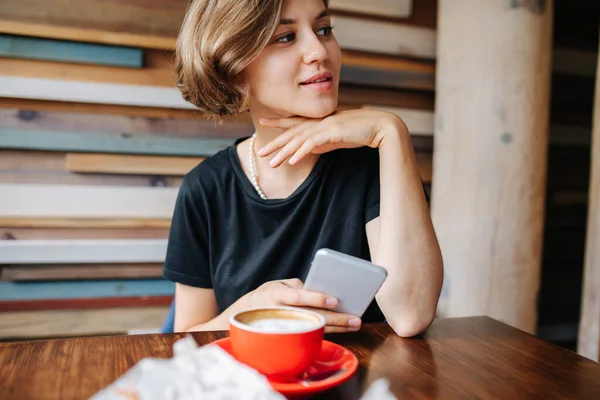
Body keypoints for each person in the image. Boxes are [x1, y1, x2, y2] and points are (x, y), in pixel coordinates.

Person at [162, 0, 443, 337]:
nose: (318, 51)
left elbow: (410, 315)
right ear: (234, 67)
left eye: (324, 30)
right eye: (285, 37)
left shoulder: (374, 165)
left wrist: (391, 131)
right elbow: (185, 343)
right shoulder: (205, 189)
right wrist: (249, 311)